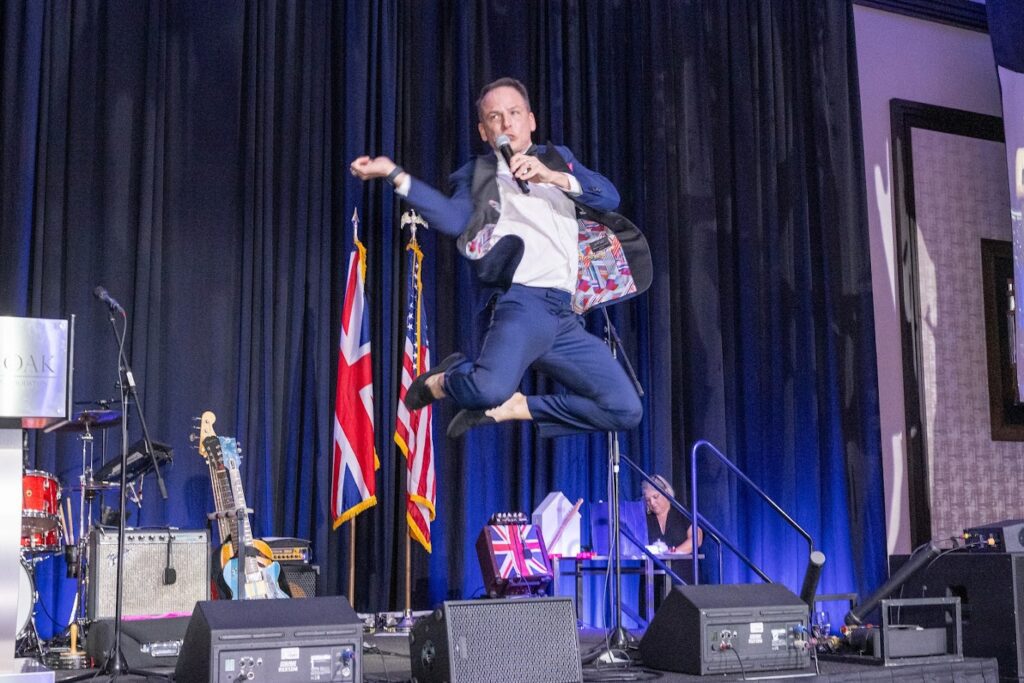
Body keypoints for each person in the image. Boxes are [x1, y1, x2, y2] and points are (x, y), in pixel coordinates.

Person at [350, 77, 647, 438]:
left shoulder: (558, 159)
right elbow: (453, 219)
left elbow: (609, 197)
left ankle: (517, 408)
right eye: (495, 117)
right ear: (483, 131)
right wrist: (394, 174)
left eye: (514, 113)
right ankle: (443, 381)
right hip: (523, 305)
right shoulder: (480, 174)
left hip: (566, 315)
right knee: (487, 390)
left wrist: (553, 177)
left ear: (531, 120)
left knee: (625, 409)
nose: (506, 124)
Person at [641, 475, 702, 555]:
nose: (652, 503)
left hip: (681, 562)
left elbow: (697, 539)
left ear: (666, 492)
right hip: (654, 563)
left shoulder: (682, 512)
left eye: (655, 497)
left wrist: (671, 553)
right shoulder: (645, 517)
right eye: (648, 500)